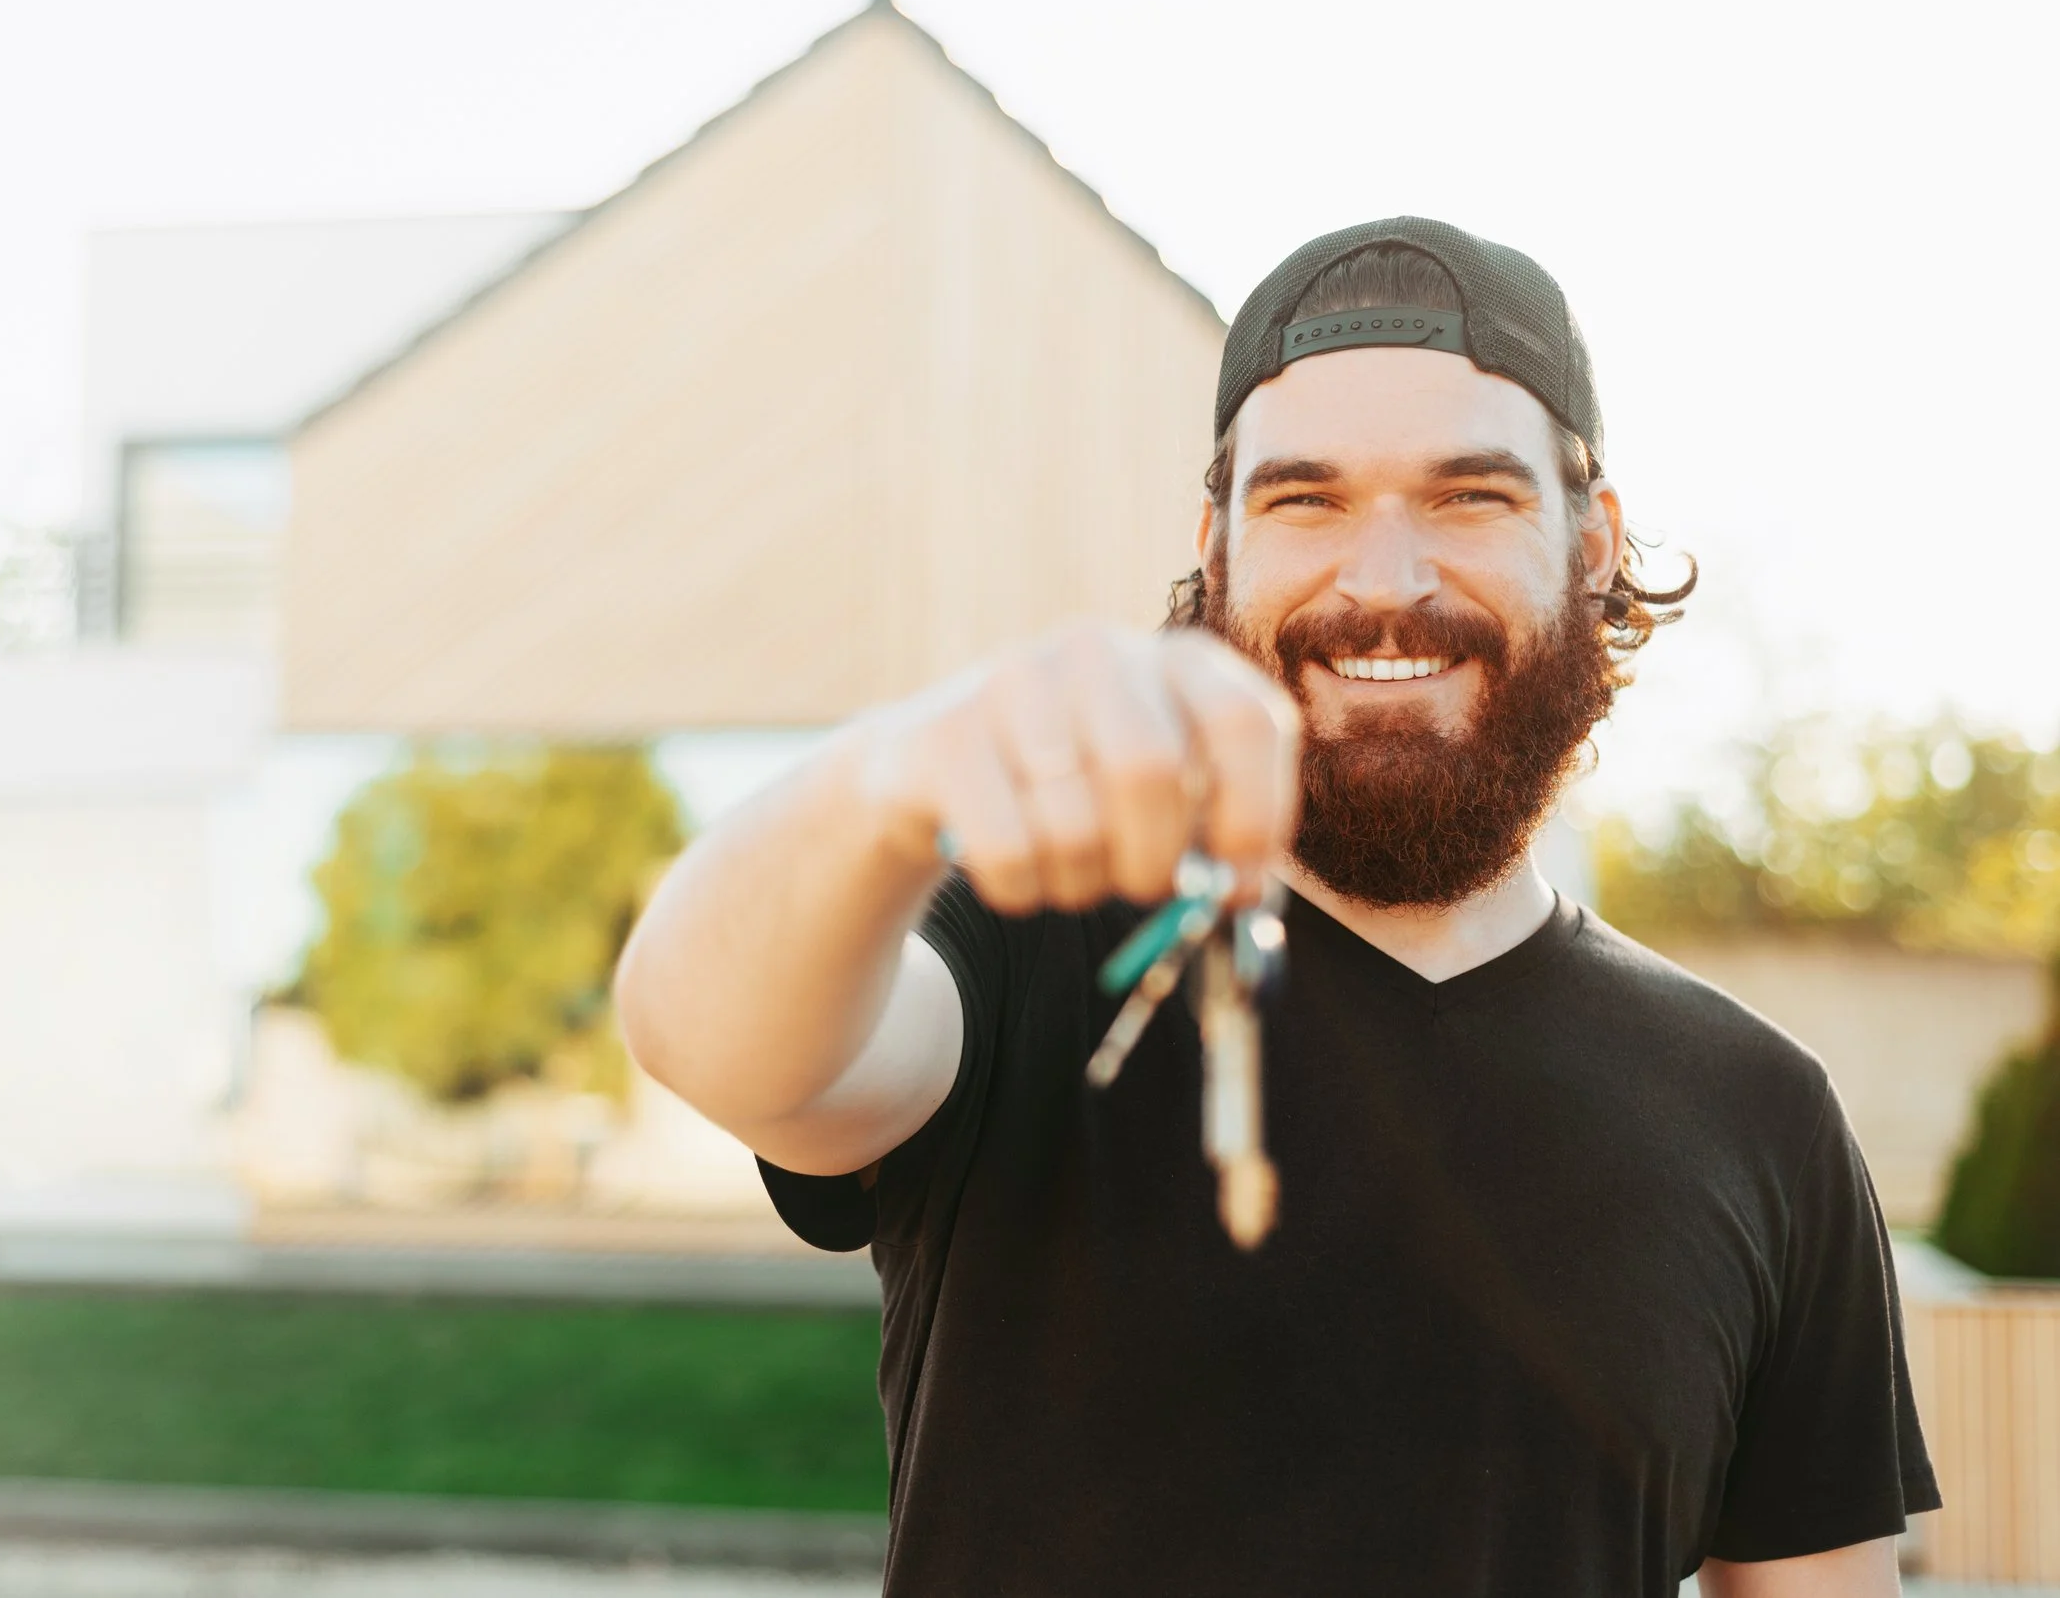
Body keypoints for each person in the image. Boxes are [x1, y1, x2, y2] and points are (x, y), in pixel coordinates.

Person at [614, 218, 1937, 1596]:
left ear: (1593, 542)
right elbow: (702, 1033)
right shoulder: (1022, 951)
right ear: (1219, 542)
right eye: (1305, 500)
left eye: (1470, 496)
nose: (1383, 582)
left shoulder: (1762, 1115)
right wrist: (887, 783)